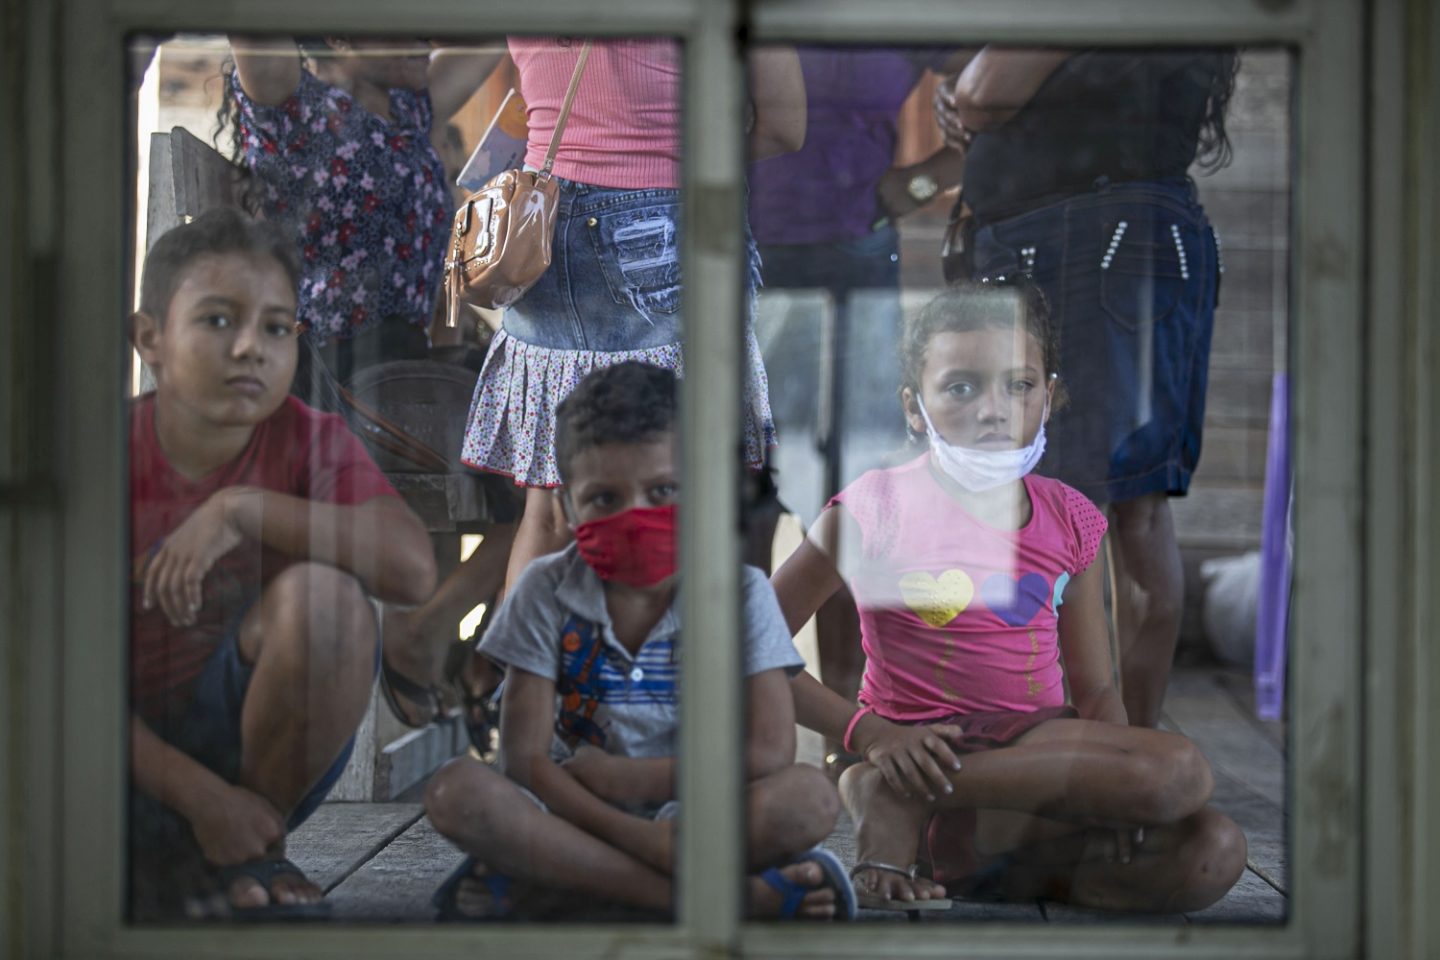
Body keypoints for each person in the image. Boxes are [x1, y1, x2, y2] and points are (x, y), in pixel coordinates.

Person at [770, 284, 1246, 912]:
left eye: (1018, 386)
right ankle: (902, 791)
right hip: (922, 746)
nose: (993, 409)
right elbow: (754, 644)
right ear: (916, 408)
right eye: (962, 387)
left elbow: (1097, 690)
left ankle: (974, 849)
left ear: (1048, 397)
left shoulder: (1072, 518)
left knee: (1213, 848)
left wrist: (1115, 792)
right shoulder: (875, 507)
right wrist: (873, 735)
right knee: (1181, 772)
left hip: (1034, 767)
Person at [425, 362, 856, 921]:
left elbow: (768, 753)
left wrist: (632, 783)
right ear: (565, 507)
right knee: (455, 791)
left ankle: (570, 884)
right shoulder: (544, 589)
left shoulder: (740, 594)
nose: (637, 517)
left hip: (698, 807)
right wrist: (637, 834)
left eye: (663, 491)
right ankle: (731, 898)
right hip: (568, 807)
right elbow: (524, 761)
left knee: (808, 798)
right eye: (605, 498)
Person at [127, 208, 438, 918]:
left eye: (276, 327)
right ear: (150, 338)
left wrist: (242, 509)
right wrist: (198, 795)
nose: (251, 348)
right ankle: (211, 845)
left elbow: (412, 569)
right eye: (216, 320)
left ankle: (248, 852)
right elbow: (59, 675)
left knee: (328, 600)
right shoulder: (110, 454)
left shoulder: (307, 439)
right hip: (113, 759)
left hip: (248, 752)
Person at [932, 48, 1236, 727]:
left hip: (1085, 239)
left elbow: (985, 93)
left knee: (1071, 505)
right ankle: (1122, 744)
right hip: (1126, 233)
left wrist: (964, 88)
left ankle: (1096, 756)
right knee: (1135, 507)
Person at [459, 38, 806, 594]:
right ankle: (681, 677)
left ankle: (528, 675)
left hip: (540, 224)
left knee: (548, 513)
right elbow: (784, 125)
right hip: (659, 218)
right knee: (688, 489)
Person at [748, 45, 966, 772]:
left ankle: (848, 728)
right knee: (741, 495)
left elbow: (1003, 86)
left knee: (847, 503)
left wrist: (917, 183)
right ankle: (746, 727)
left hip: (858, 260)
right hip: (735, 254)